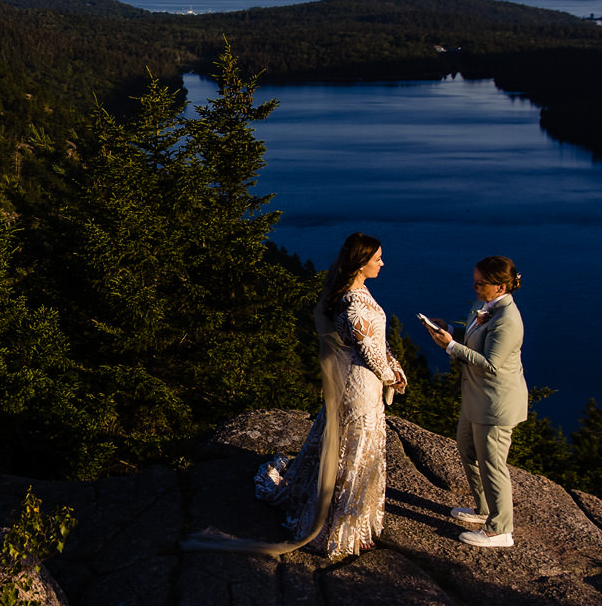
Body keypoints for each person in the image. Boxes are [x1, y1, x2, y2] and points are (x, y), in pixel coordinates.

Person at [187, 232, 405, 560]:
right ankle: (343, 529)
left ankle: (351, 522)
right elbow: (370, 352)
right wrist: (394, 377)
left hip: (356, 382)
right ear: (360, 264)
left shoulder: (351, 292)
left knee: (348, 451)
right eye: (377, 259)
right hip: (360, 386)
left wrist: (392, 366)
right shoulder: (355, 305)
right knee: (355, 455)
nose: (382, 263)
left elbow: (375, 343)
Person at [428, 256, 527, 549]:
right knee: (467, 448)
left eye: (481, 283)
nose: (474, 286)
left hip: (496, 404)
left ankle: (501, 530)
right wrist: (451, 332)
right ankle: (484, 509)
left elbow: (492, 364)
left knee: (494, 464)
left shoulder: (508, 321)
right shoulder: (482, 308)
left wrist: (450, 347)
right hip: (476, 398)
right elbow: (474, 340)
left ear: (500, 286)